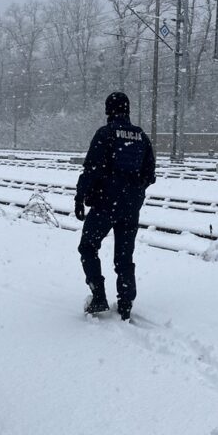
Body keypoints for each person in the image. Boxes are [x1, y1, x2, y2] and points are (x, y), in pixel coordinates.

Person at [74, 91, 156, 320]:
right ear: (128, 109)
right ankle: (126, 301)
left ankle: (98, 295)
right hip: (130, 208)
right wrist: (134, 192)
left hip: (104, 204)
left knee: (88, 247)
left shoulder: (105, 134)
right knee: (124, 255)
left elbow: (91, 169)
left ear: (109, 110)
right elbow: (150, 173)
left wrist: (80, 197)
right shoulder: (141, 137)